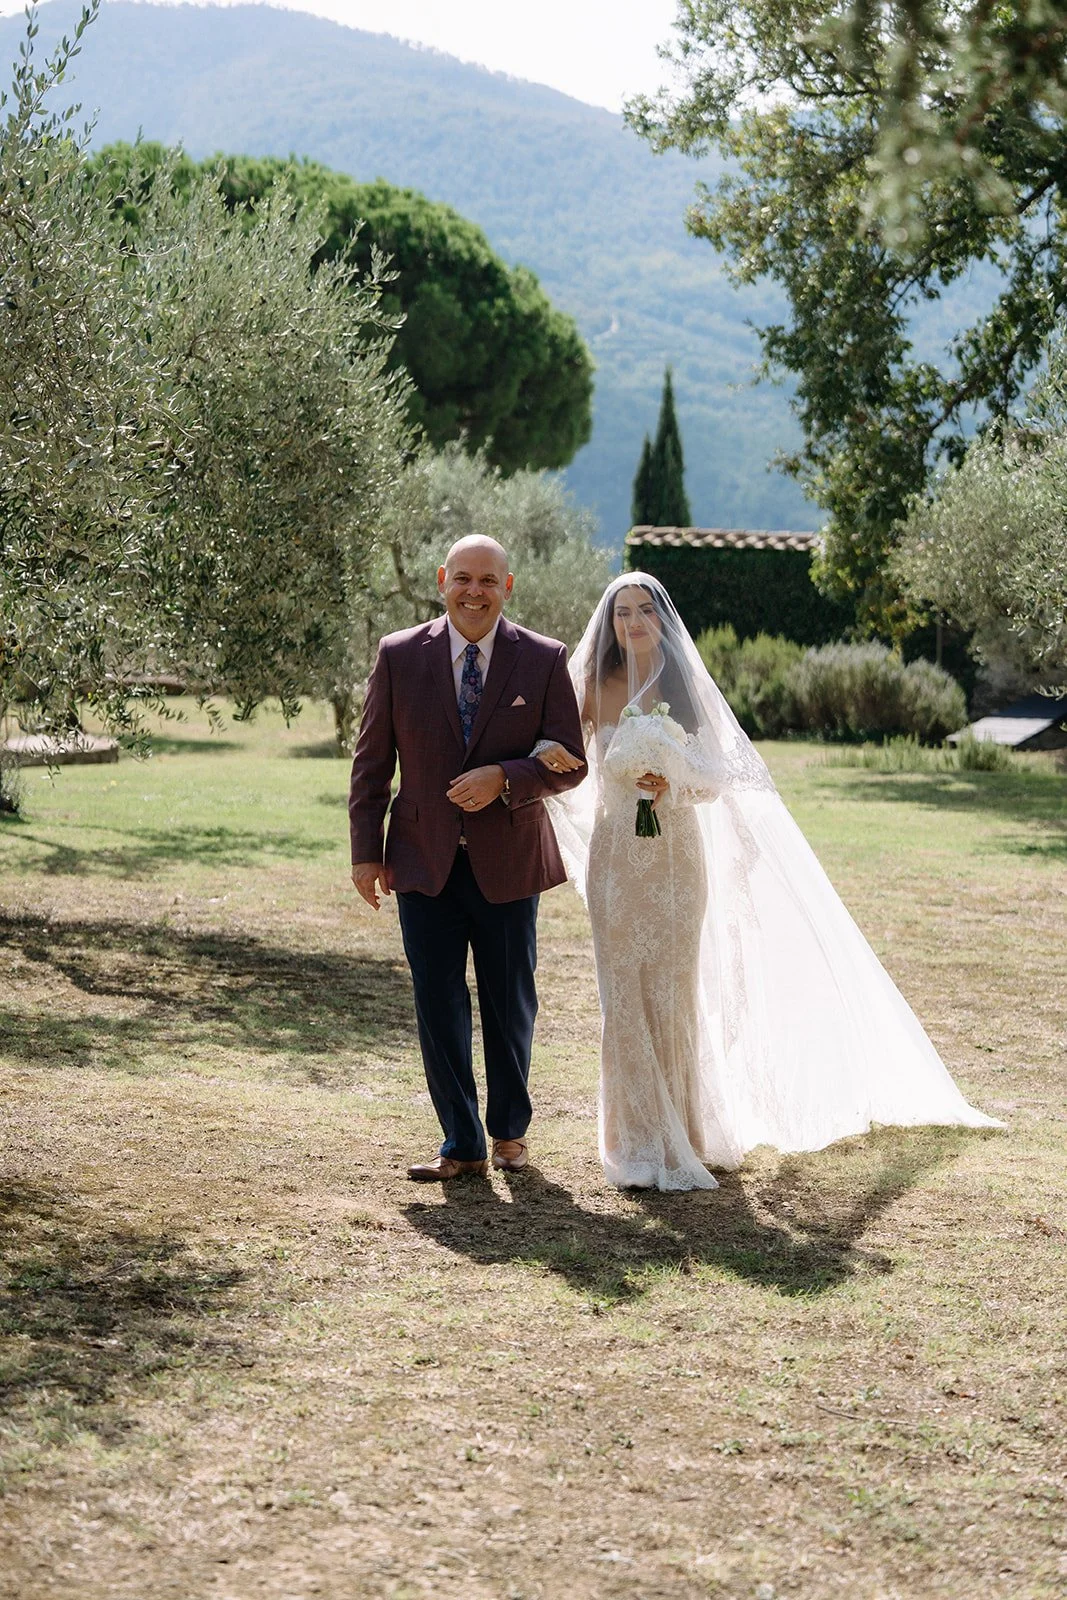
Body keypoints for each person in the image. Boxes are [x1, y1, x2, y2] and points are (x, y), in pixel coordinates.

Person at [535, 573, 1001, 1191]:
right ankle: (635, 1139)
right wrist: (548, 752)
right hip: (617, 859)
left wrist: (671, 782)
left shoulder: (685, 689)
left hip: (675, 858)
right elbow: (558, 748)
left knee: (673, 994)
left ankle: (686, 1133)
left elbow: (717, 778)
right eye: (623, 612)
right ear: (611, 622)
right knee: (621, 992)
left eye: (646, 609)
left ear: (661, 618)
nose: (634, 621)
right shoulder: (593, 687)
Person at [349, 535, 587, 1182]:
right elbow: (372, 763)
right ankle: (460, 1143)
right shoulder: (398, 655)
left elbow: (570, 759)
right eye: (462, 578)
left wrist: (504, 778)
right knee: (437, 1001)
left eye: (487, 579)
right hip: (420, 861)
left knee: (509, 1003)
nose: (473, 591)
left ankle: (509, 1131)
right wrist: (364, 855)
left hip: (508, 863)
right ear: (441, 580)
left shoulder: (541, 659)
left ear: (507, 586)